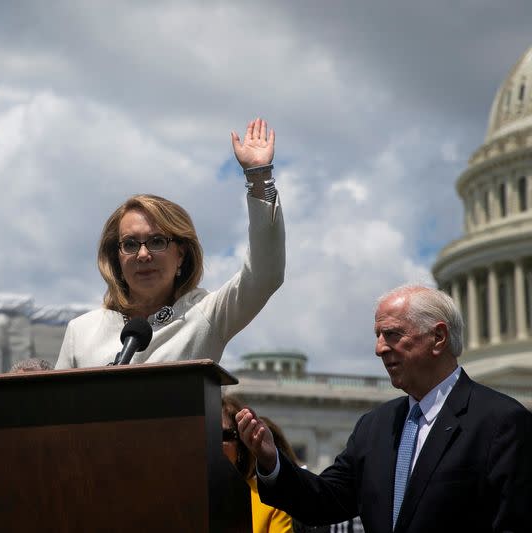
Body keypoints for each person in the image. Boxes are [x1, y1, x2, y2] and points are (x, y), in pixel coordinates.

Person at [236, 285, 532, 533]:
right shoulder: (375, 426)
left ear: (438, 338)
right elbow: (324, 502)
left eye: (392, 335)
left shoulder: (500, 423)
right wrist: (271, 460)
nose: (379, 348)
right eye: (378, 336)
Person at [56, 118, 285, 368]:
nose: (143, 255)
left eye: (156, 241)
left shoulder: (205, 315)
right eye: (130, 244)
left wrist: (259, 176)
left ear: (181, 255)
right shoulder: (81, 332)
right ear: (116, 258)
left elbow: (264, 275)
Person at [222, 396, 293, 533]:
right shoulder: (184, 498)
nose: (212, 442)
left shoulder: (271, 503)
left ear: (241, 446)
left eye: (224, 435)